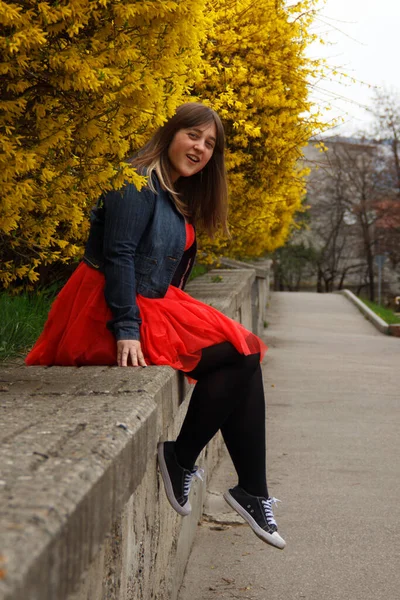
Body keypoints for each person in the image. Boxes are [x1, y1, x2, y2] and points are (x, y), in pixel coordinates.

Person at [26, 102, 286, 550]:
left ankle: (248, 489)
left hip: (153, 301)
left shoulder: (174, 193)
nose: (200, 148)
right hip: (108, 308)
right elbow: (120, 254)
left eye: (210, 144)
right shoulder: (136, 181)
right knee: (241, 356)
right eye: (193, 135)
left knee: (246, 352)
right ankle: (185, 460)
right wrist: (125, 327)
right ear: (170, 133)